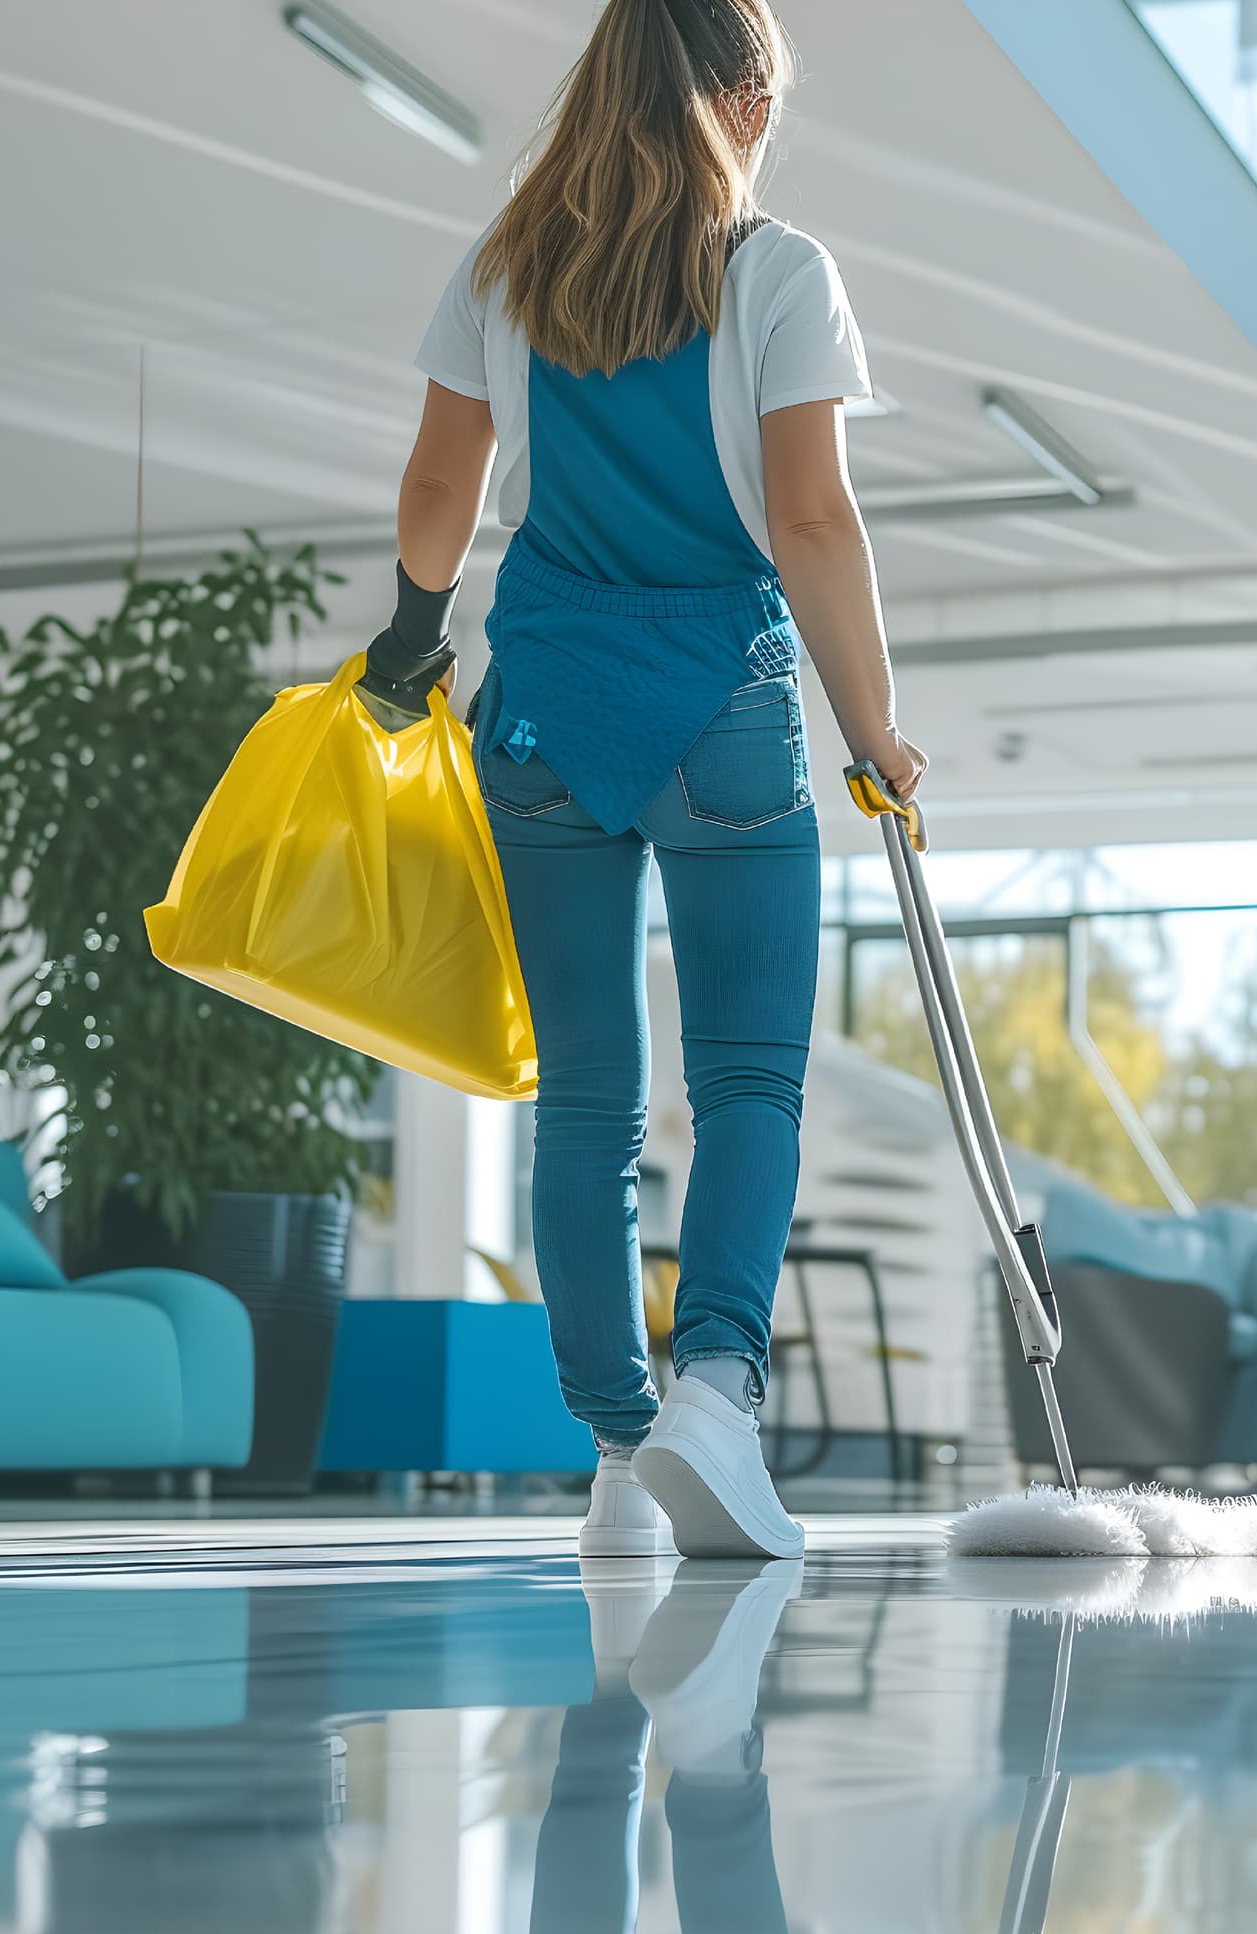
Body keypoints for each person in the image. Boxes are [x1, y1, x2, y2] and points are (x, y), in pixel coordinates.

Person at [364, 0, 922, 1561]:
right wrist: (875, 727)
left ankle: (618, 1456)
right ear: (744, 95)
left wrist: (412, 640)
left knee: (589, 1099)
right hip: (721, 713)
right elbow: (810, 522)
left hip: (540, 704)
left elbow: (436, 489)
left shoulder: (506, 269)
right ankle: (716, 1401)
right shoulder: (777, 274)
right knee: (746, 1081)